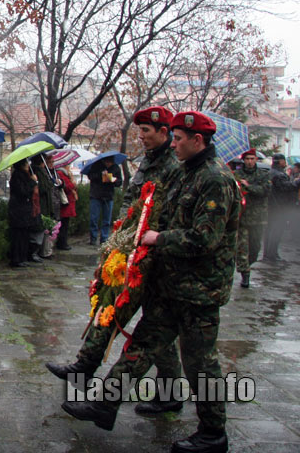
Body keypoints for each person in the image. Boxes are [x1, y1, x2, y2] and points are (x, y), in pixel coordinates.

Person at [61, 111, 240, 453]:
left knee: (201, 364)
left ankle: (213, 433)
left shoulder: (215, 179)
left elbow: (205, 238)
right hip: (170, 283)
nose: (174, 144)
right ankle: (105, 405)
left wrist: (159, 238)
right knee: (141, 346)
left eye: (179, 139)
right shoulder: (186, 172)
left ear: (197, 140)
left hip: (199, 290)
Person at [46, 106, 183, 416]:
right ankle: (85, 368)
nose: (141, 137)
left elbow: (168, 215)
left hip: (156, 257)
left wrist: (150, 242)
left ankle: (105, 385)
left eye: (146, 131)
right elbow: (131, 203)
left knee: (153, 331)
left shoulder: (175, 166)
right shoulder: (148, 161)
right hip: (133, 251)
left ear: (163, 132)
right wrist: (119, 238)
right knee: (118, 312)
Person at [234, 149, 270, 286]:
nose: (250, 162)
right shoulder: (237, 175)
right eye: (247, 159)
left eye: (252, 159)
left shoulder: (263, 175)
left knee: (255, 248)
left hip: (258, 217)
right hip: (242, 217)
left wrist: (248, 186)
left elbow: (265, 191)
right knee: (242, 248)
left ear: (256, 160)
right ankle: (245, 274)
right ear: (243, 160)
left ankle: (248, 264)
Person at [263, 153, 299, 261]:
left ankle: (268, 254)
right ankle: (271, 254)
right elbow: (287, 187)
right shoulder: (279, 175)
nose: (285, 163)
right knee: (277, 230)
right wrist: (298, 182)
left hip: (272, 205)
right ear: (280, 161)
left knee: (270, 230)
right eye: (284, 160)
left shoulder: (271, 172)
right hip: (279, 206)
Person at [7, 158, 41, 267]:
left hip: (25, 211)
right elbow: (23, 191)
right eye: (26, 163)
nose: (28, 165)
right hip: (19, 211)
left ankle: (22, 257)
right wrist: (32, 182)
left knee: (24, 235)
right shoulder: (17, 176)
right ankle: (17, 259)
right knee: (18, 236)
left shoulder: (26, 175)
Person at [86, 156, 122, 245]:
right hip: (96, 195)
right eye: (107, 162)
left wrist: (113, 180)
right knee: (94, 218)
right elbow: (90, 176)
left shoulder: (115, 168)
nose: (109, 164)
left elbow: (119, 182)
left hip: (108, 196)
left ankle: (104, 239)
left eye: (110, 163)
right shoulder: (96, 165)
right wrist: (101, 175)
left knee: (107, 220)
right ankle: (93, 238)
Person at [55, 163, 77, 251]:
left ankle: (63, 242)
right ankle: (62, 243)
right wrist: (72, 181)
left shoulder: (65, 174)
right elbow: (68, 187)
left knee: (65, 223)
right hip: (65, 203)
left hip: (68, 202)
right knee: (64, 224)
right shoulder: (61, 173)